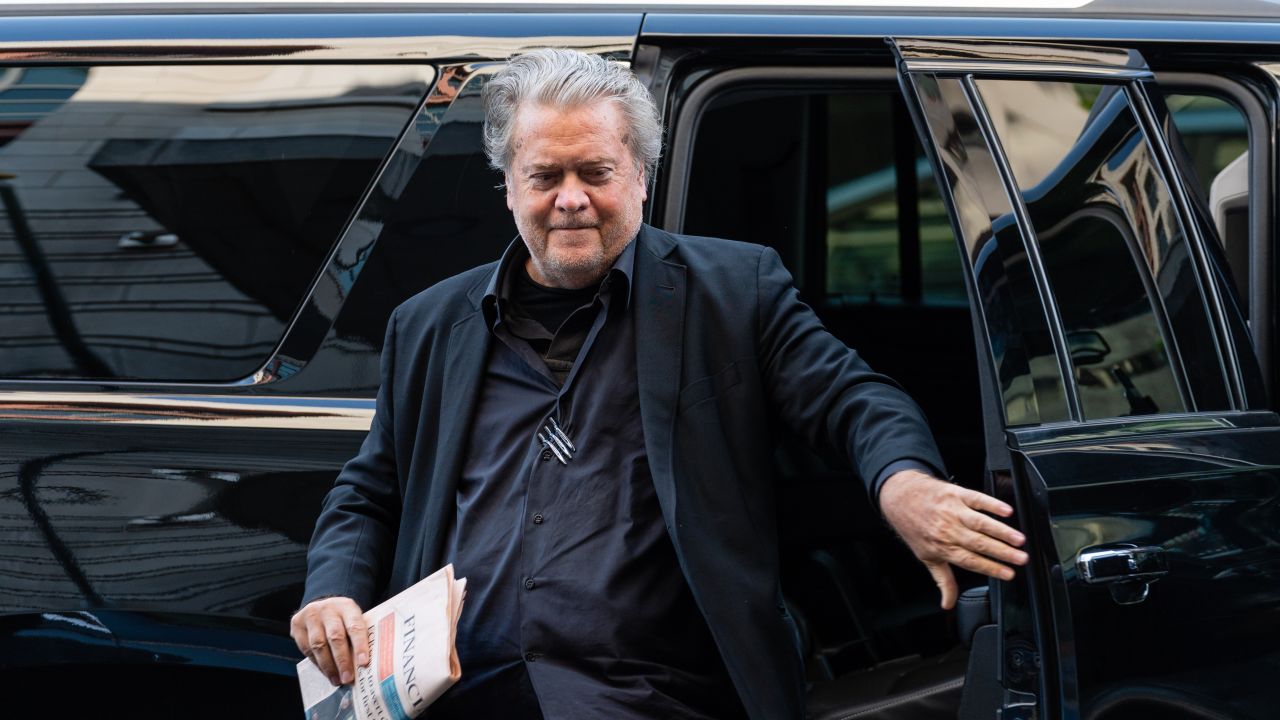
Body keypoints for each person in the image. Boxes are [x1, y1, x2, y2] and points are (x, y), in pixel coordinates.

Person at [291, 48, 1027, 720]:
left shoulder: (733, 293)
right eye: (545, 176)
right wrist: (333, 590)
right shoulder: (427, 324)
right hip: (465, 695)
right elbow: (368, 491)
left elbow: (852, 400)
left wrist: (902, 483)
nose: (570, 198)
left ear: (640, 175)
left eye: (595, 173)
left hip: (655, 700)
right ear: (508, 186)